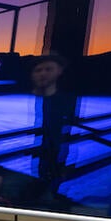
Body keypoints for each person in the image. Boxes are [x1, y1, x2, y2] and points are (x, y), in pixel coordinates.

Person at [28, 55, 77, 206]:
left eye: (48, 69)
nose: (43, 74)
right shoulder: (27, 98)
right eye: (39, 70)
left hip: (54, 152)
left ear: (59, 71)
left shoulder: (66, 99)